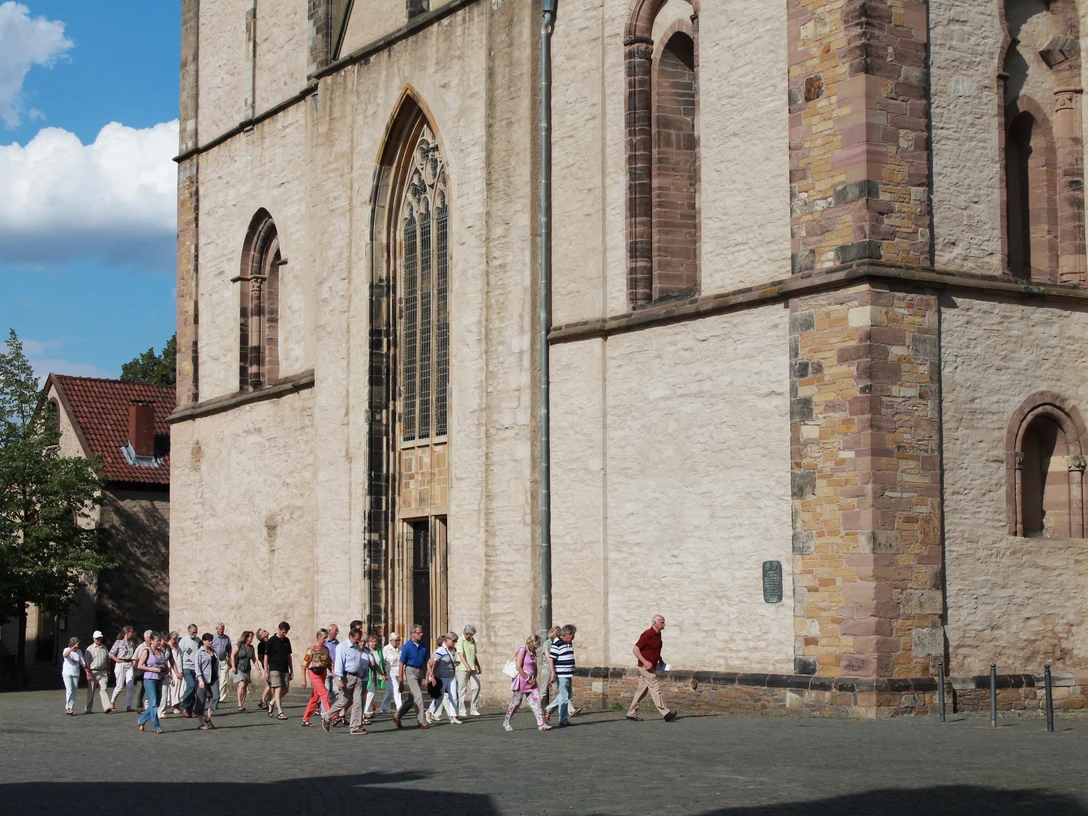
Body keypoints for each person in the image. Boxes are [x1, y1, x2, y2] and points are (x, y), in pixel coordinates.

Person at [627, 614, 677, 722]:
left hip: (652, 665)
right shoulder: (647, 634)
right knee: (655, 687)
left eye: (664, 622)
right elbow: (635, 649)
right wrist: (645, 662)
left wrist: (660, 659)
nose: (664, 624)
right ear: (655, 623)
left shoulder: (658, 635)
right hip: (645, 667)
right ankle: (666, 713)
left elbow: (655, 649)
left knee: (641, 691)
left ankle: (631, 713)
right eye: (662, 622)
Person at [322, 626, 367, 734]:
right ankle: (327, 716)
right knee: (343, 701)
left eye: (359, 639)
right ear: (350, 636)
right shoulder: (342, 646)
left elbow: (357, 661)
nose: (358, 641)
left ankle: (355, 726)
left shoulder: (356, 647)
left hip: (357, 677)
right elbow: (338, 664)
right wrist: (339, 679)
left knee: (358, 702)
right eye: (357, 639)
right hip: (347, 677)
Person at [503, 634, 551, 732]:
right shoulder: (522, 650)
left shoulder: (533, 652)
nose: (536, 647)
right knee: (516, 702)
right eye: (535, 645)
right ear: (530, 642)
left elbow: (535, 666)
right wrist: (527, 678)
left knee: (536, 702)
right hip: (522, 680)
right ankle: (506, 721)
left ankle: (541, 724)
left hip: (532, 681)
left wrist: (534, 678)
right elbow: (518, 667)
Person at [391, 624, 430, 729]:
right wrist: (401, 681)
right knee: (418, 696)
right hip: (410, 671)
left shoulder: (423, 645)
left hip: (420, 671)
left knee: (411, 698)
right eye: (418, 633)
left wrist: (429, 675)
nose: (421, 635)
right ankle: (421, 721)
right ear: (413, 634)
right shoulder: (407, 646)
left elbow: (427, 661)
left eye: (421, 633)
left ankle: (397, 716)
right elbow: (401, 663)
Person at [427, 632, 461, 724]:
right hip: (441, 677)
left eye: (456, 641)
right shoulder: (440, 651)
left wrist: (454, 669)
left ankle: (453, 716)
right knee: (440, 697)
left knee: (453, 696)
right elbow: (435, 665)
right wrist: (433, 677)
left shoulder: (454, 650)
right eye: (453, 641)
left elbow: (453, 662)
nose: (454, 643)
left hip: (451, 676)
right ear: (447, 640)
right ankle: (430, 712)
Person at [546, 624, 577, 726]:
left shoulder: (569, 642)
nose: (574, 637)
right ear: (568, 634)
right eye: (573, 635)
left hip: (568, 673)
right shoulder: (557, 643)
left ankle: (548, 709)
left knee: (568, 695)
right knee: (564, 697)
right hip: (562, 674)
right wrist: (553, 673)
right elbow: (551, 659)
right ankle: (563, 720)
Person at [300, 628, 332, 727]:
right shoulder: (311, 649)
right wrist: (303, 680)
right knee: (324, 693)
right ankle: (332, 716)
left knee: (315, 697)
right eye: (324, 638)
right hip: (313, 672)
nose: (325, 640)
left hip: (322, 672)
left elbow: (329, 663)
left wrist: (336, 675)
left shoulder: (326, 649)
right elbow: (304, 665)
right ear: (319, 637)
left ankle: (305, 719)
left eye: (326, 638)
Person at [136, 633, 167, 733]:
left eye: (159, 640)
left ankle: (141, 720)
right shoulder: (147, 651)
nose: (159, 642)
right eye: (157, 640)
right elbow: (140, 666)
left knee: (156, 704)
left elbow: (164, 664)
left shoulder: (161, 651)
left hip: (159, 679)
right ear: (152, 641)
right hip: (149, 679)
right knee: (153, 703)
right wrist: (152, 669)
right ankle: (157, 726)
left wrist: (166, 672)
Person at [264, 621, 293, 720]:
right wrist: (265, 671)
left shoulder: (286, 641)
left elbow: (289, 656)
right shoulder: (271, 641)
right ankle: (280, 712)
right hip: (274, 667)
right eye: (283, 632)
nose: (284, 634)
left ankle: (271, 703)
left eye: (286, 632)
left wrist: (291, 670)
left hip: (284, 668)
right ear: (279, 630)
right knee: (278, 688)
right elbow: (266, 657)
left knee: (285, 689)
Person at [194, 632, 221, 730]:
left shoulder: (214, 651)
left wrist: (218, 677)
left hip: (213, 678)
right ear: (203, 641)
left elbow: (217, 665)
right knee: (201, 700)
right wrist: (200, 680)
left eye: (211, 640)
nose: (210, 642)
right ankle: (200, 722)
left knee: (216, 697)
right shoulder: (199, 653)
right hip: (203, 679)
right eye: (208, 640)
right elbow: (197, 668)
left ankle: (208, 717)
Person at [456, 623, 482, 717]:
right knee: (462, 689)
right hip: (463, 668)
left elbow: (474, 655)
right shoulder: (460, 640)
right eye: (468, 634)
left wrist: (478, 666)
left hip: (473, 668)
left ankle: (474, 708)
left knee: (476, 687)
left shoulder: (472, 641)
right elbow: (461, 655)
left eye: (471, 635)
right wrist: (466, 665)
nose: (469, 636)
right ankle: (461, 710)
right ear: (465, 633)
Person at [108, 626, 136, 712]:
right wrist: (117, 660)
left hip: (129, 663)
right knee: (119, 685)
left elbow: (134, 653)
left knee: (130, 685)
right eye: (131, 632)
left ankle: (128, 705)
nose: (133, 633)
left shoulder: (132, 643)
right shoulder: (119, 642)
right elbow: (111, 653)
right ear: (127, 633)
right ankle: (112, 701)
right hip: (121, 663)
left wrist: (133, 661)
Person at [83, 631, 111, 714]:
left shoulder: (105, 648)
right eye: (97, 638)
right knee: (91, 690)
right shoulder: (90, 649)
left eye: (100, 638)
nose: (99, 640)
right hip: (93, 671)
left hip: (103, 671)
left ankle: (106, 707)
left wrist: (109, 672)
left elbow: (108, 661)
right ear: (94, 639)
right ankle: (88, 708)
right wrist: (87, 673)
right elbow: (86, 663)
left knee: (104, 689)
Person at [178, 624, 201, 718]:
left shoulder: (198, 641)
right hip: (186, 667)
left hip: (196, 668)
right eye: (193, 632)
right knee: (191, 685)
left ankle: (189, 710)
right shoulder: (183, 641)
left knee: (194, 689)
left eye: (196, 632)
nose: (194, 634)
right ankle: (183, 706)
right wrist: (180, 670)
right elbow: (179, 656)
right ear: (188, 631)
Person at [157, 633, 182, 720]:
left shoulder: (168, 648)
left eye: (166, 640)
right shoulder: (155, 648)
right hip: (155, 673)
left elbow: (172, 661)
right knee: (156, 693)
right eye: (163, 640)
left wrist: (176, 672)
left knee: (165, 692)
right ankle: (148, 704)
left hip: (165, 671)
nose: (164, 642)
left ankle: (161, 712)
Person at [231, 630, 258, 711]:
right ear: (246, 637)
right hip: (239, 667)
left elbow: (254, 658)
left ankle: (242, 704)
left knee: (245, 687)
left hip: (247, 669)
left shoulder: (251, 648)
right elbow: (232, 655)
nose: (252, 639)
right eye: (250, 637)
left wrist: (259, 668)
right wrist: (233, 666)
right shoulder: (239, 645)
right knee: (241, 685)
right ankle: (239, 704)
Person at [61, 637, 86, 715]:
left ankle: (71, 707)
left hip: (76, 673)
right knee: (69, 689)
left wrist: (87, 671)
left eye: (78, 645)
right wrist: (71, 649)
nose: (77, 647)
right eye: (76, 645)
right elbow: (64, 655)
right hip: (67, 673)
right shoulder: (66, 649)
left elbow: (82, 662)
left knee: (74, 691)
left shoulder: (79, 652)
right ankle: (68, 708)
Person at [363, 634, 387, 716]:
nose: (374, 643)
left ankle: (369, 709)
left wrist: (383, 673)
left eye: (375, 641)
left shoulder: (379, 651)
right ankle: (366, 710)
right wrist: (372, 672)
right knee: (371, 692)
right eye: (372, 642)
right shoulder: (367, 651)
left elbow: (381, 663)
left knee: (374, 692)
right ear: (368, 643)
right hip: (369, 674)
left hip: (377, 674)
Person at [131, 630, 154, 712]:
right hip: (142, 671)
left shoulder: (154, 646)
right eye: (149, 637)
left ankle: (150, 706)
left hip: (151, 671)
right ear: (145, 638)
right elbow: (134, 658)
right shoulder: (141, 647)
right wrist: (137, 670)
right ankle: (139, 706)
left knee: (151, 689)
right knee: (140, 689)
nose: (151, 639)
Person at [211, 623, 233, 705]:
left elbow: (229, 650)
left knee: (224, 680)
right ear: (216, 629)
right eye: (220, 629)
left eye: (222, 629)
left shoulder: (226, 638)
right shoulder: (212, 637)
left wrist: (230, 660)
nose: (221, 631)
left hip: (224, 660)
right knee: (215, 679)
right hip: (215, 661)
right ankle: (214, 696)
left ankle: (221, 697)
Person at [381, 632, 403, 714]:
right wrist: (383, 673)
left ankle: (384, 706)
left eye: (398, 640)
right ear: (391, 640)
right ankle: (399, 707)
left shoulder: (400, 648)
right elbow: (383, 661)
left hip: (398, 671)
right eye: (396, 640)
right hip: (390, 671)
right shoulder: (386, 649)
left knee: (390, 690)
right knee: (396, 688)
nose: (397, 642)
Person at [165, 632, 185, 714]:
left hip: (179, 669)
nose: (175, 640)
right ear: (170, 638)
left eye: (176, 638)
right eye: (174, 639)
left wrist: (181, 671)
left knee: (180, 689)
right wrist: (170, 674)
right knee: (174, 689)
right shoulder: (167, 647)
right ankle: (174, 706)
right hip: (171, 670)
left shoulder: (178, 647)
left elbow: (180, 659)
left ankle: (178, 705)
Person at [255, 629, 272, 710]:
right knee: (270, 684)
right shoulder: (261, 645)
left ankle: (269, 701)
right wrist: (265, 666)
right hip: (268, 667)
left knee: (274, 685)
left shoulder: (271, 641)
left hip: (274, 665)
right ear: (262, 636)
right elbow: (260, 657)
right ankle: (262, 701)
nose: (266, 631)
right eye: (264, 631)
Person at [324, 624, 340, 708]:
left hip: (335, 668)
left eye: (337, 630)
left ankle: (327, 705)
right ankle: (325, 712)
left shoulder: (337, 643)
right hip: (326, 668)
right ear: (329, 631)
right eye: (335, 630)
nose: (337, 632)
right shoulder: (324, 642)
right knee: (326, 690)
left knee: (337, 690)